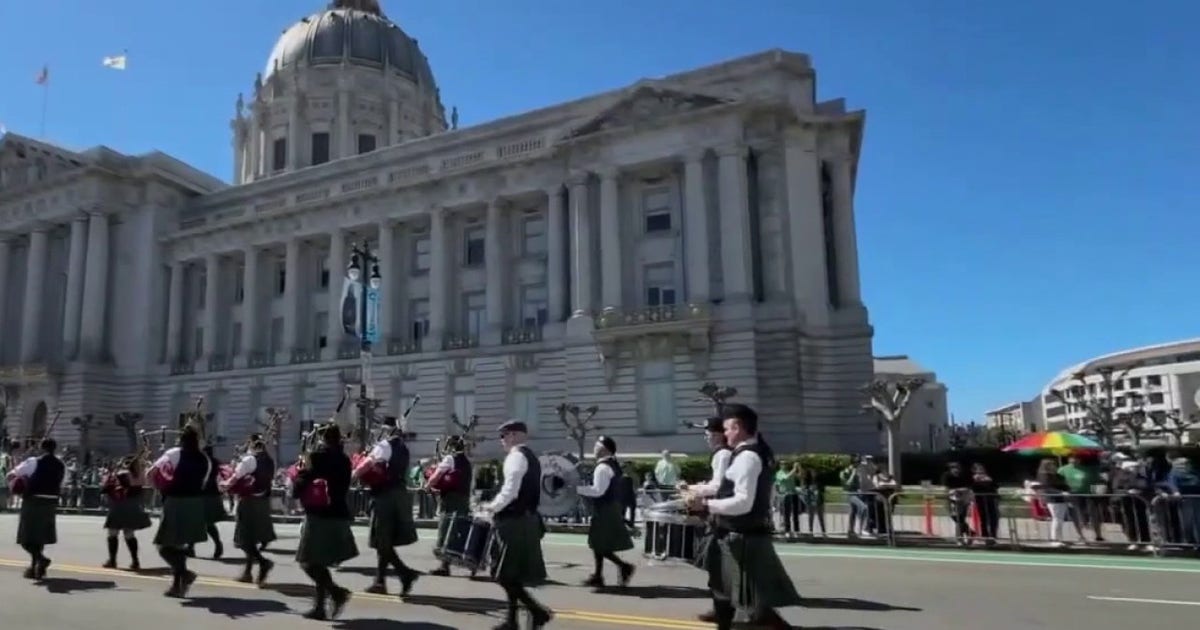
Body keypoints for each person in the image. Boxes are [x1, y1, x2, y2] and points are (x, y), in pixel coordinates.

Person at [687, 404, 799, 630]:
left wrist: (706, 505)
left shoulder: (748, 457)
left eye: (727, 429)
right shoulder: (749, 453)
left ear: (738, 428)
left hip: (742, 536)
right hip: (737, 534)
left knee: (752, 608)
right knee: (725, 592)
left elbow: (743, 502)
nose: (725, 433)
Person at [483, 420, 553, 629]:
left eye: (503, 436)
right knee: (511, 575)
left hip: (514, 521)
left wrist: (491, 507)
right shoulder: (531, 457)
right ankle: (512, 621)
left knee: (503, 574)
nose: (501, 440)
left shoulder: (515, 456)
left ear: (513, 435)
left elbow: (510, 491)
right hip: (525, 519)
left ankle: (537, 612)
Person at [294, 424, 357, 620]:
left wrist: (300, 471)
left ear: (322, 438)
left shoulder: (316, 457)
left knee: (308, 562)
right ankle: (321, 606)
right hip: (338, 513)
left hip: (319, 515)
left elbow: (300, 484)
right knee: (318, 563)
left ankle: (336, 593)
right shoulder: (345, 459)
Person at [353, 418, 421, 596]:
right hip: (399, 495)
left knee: (381, 541)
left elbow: (367, 464)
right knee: (385, 541)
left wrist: (353, 474)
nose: (380, 433)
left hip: (385, 497)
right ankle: (380, 582)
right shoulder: (403, 448)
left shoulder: (384, 445)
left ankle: (405, 573)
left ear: (388, 430)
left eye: (383, 430)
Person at [679, 416, 733, 624]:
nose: (706, 437)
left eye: (708, 433)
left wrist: (691, 488)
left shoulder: (722, 454)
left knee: (716, 563)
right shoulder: (724, 453)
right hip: (722, 515)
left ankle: (724, 611)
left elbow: (719, 486)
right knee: (718, 565)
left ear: (718, 434)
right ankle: (722, 609)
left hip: (722, 517)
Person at [148, 425, 212, 597]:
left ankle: (185, 574)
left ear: (181, 439)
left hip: (175, 502)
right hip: (195, 504)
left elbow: (151, 473)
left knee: (164, 547)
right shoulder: (205, 459)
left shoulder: (174, 453)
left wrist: (159, 489)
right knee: (178, 546)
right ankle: (177, 586)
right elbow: (203, 483)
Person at [577, 435, 635, 589]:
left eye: (597, 446)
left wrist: (577, 489)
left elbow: (598, 491)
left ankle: (623, 566)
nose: (594, 449)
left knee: (599, 543)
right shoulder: (613, 465)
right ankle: (598, 575)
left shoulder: (602, 467)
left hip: (605, 508)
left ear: (604, 449)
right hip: (611, 507)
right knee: (599, 543)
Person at [6, 438, 65, 580]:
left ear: (41, 448)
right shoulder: (61, 465)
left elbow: (11, 475)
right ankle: (35, 569)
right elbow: (62, 483)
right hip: (51, 502)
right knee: (39, 538)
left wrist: (16, 484)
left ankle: (41, 559)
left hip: (33, 500)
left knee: (26, 538)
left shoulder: (33, 461)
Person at [223, 436, 277, 585]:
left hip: (248, 500)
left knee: (243, 539)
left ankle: (263, 562)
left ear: (251, 445)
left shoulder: (249, 459)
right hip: (262, 501)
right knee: (251, 539)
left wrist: (225, 485)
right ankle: (247, 572)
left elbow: (236, 476)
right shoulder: (269, 461)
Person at [428, 434, 473, 577]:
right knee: (459, 531)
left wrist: (428, 485)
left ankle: (444, 566)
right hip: (464, 500)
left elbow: (435, 477)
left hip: (451, 499)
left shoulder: (450, 459)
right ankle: (468, 561)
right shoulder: (466, 462)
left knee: (446, 530)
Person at [100, 455, 152, 569]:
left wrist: (113, 472)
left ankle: (112, 560)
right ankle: (135, 561)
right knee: (129, 534)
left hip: (119, 506)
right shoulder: (140, 475)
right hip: (133, 507)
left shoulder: (121, 474)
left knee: (112, 533)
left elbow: (106, 487)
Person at [187, 444, 227, 559]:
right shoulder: (215, 462)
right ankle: (216, 544)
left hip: (202, 495)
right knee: (206, 523)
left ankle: (191, 548)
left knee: (197, 522)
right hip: (212, 495)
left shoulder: (201, 463)